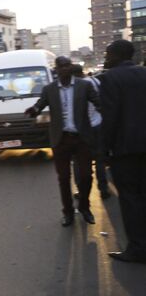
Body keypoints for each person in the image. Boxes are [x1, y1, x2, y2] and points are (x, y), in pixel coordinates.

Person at [25, 56, 100, 226]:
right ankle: (68, 212)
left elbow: (98, 102)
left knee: (86, 175)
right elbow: (40, 104)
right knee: (64, 178)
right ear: (56, 69)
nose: (65, 68)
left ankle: (84, 207)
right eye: (62, 66)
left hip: (82, 138)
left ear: (71, 67)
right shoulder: (49, 89)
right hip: (61, 139)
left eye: (68, 65)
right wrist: (34, 110)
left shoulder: (84, 86)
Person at [100, 39, 146, 263]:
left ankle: (137, 249)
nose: (106, 58)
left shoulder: (109, 79)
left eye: (108, 54)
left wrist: (104, 150)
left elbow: (110, 118)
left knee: (130, 199)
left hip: (125, 150)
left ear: (118, 55)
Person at [70, 64, 110, 199]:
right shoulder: (95, 81)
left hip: (82, 129)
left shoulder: (75, 87)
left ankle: (81, 191)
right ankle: (103, 188)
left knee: (79, 161)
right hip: (98, 124)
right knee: (100, 159)